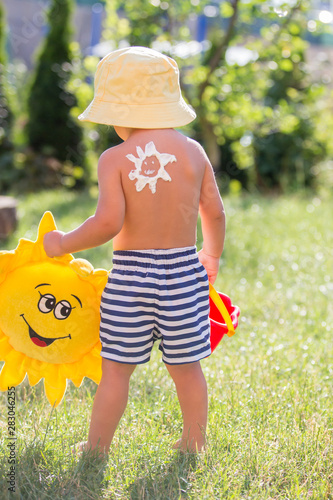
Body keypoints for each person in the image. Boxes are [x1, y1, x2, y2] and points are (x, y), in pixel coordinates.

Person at [44, 46, 225, 454]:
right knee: (187, 369)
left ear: (121, 111)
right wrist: (210, 256)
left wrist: (63, 243)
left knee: (117, 372)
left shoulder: (115, 159)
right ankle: (194, 441)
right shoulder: (193, 152)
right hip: (182, 273)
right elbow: (213, 212)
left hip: (130, 279)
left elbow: (107, 224)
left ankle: (96, 446)